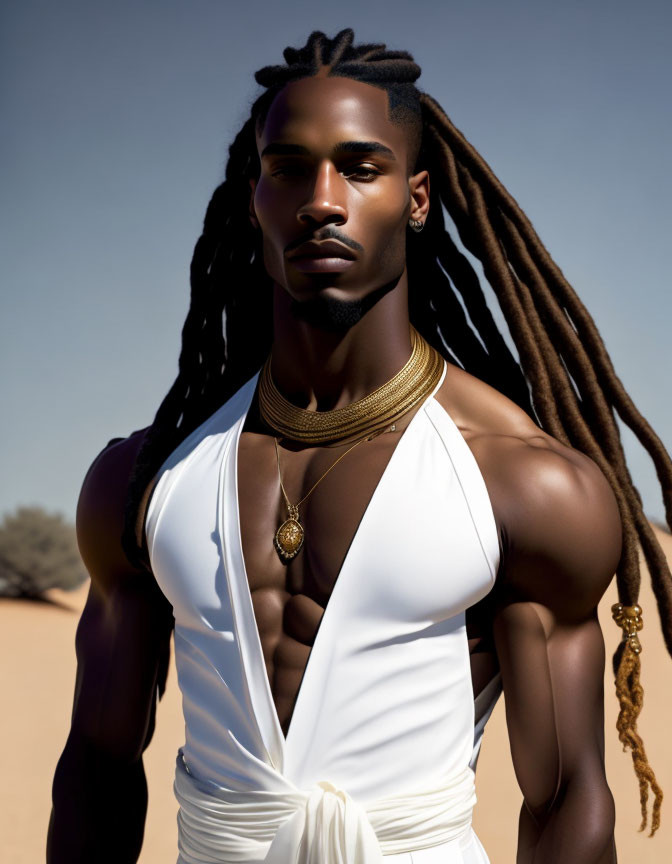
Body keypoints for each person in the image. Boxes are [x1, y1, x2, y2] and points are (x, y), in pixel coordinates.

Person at [48, 28, 672, 864]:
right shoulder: (146, 482)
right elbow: (96, 766)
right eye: (288, 169)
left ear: (416, 199)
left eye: (361, 166)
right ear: (253, 200)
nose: (323, 198)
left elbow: (565, 799)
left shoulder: (522, 485)